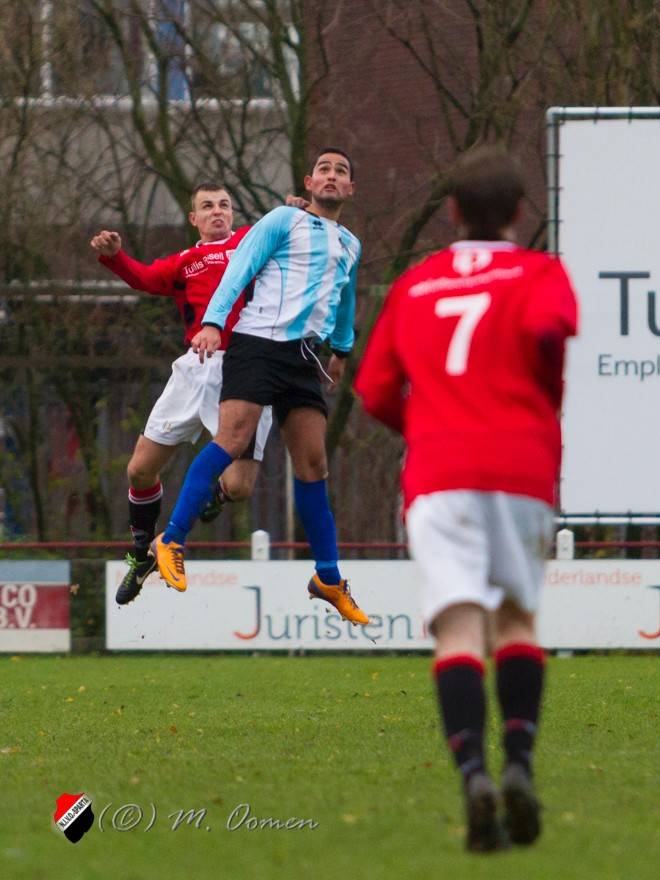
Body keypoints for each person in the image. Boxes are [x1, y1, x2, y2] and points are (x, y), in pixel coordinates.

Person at [354, 146, 578, 852]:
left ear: (450, 212)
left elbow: (374, 391)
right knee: (515, 621)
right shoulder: (541, 272)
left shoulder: (416, 283)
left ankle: (474, 774)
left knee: (457, 632)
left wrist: (428, 428)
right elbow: (548, 331)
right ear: (519, 212)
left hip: (439, 473)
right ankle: (519, 763)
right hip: (519, 467)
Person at [151, 148, 369, 626]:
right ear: (309, 182)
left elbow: (345, 298)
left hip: (304, 357)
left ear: (351, 189)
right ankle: (171, 539)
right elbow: (240, 268)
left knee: (313, 464)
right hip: (258, 344)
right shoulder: (283, 220)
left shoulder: (351, 244)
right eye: (324, 169)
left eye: (341, 171)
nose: (332, 176)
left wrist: (342, 350)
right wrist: (212, 322)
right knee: (231, 440)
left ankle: (328, 578)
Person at [91, 182, 273, 605]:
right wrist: (115, 256)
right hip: (195, 369)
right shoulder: (185, 262)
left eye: (224, 205)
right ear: (193, 218)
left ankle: (211, 497)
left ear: (233, 214)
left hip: (243, 370)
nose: (217, 211)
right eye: (207, 206)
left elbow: (285, 234)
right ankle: (142, 555)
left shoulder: (250, 243)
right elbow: (144, 277)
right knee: (139, 469)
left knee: (240, 486)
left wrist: (297, 210)